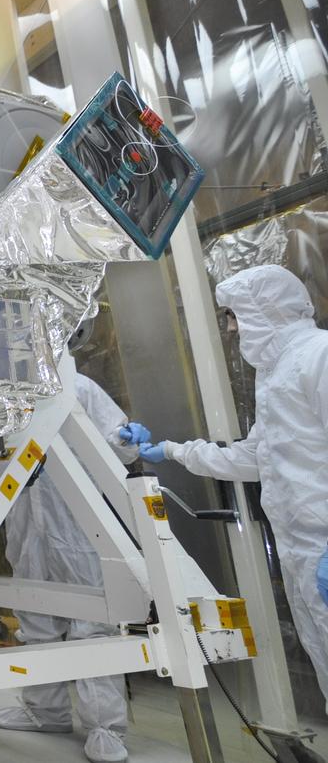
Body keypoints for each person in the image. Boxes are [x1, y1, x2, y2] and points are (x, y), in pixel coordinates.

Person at [139, 264, 328, 707]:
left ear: (264, 309)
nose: (230, 328)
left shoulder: (319, 355)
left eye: (233, 316)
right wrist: (172, 451)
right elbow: (256, 458)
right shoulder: (276, 374)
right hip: (302, 555)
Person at [0, 370, 149, 763]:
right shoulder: (0, 388)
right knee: (35, 617)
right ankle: (45, 711)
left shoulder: (78, 385)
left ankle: (105, 726)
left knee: (92, 623)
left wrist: (127, 437)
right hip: (25, 519)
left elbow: (121, 446)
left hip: (76, 520)